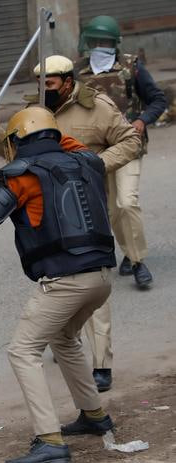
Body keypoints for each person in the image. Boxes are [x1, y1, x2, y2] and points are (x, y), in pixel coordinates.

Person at [0, 55, 141, 392]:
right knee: (63, 277)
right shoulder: (35, 112)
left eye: (50, 84)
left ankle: (101, 363)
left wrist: (94, 165)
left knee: (89, 267)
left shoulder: (98, 107)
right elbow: (19, 158)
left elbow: (131, 141)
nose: (44, 90)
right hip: (50, 209)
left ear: (67, 82)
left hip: (88, 201)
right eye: (40, 84)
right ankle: (68, 343)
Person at [0, 107, 116, 463]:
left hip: (66, 281)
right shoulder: (89, 162)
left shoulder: (22, 175)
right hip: (101, 278)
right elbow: (69, 144)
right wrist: (46, 131)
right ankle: (94, 415)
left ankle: (50, 442)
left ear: (19, 140)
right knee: (64, 338)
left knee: (23, 351)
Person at [75, 15, 167, 288]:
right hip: (97, 151)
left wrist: (142, 121)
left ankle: (138, 262)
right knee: (113, 211)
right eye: (95, 41)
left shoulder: (131, 66)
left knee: (127, 202)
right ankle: (128, 250)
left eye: (105, 41)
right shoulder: (78, 72)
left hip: (128, 145)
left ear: (114, 43)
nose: (99, 46)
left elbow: (157, 99)